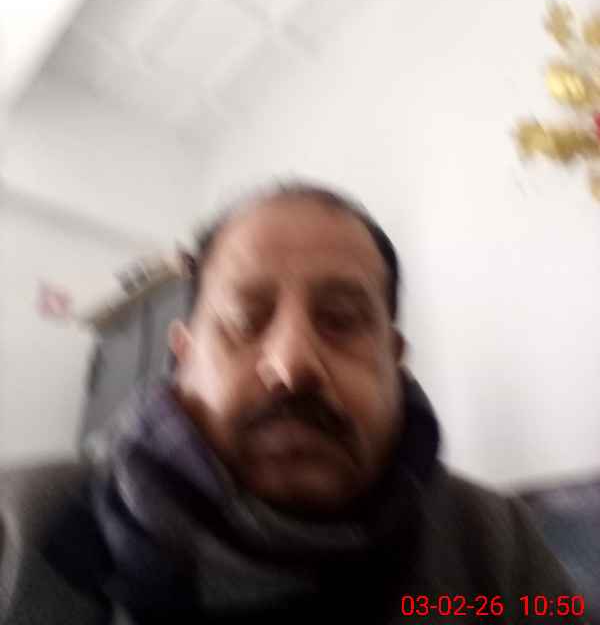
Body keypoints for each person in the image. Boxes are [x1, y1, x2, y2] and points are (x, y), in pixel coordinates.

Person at [1, 181, 584, 625]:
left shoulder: (494, 548)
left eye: (342, 321)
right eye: (244, 320)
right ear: (183, 358)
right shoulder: (19, 531)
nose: (293, 363)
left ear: (395, 361)